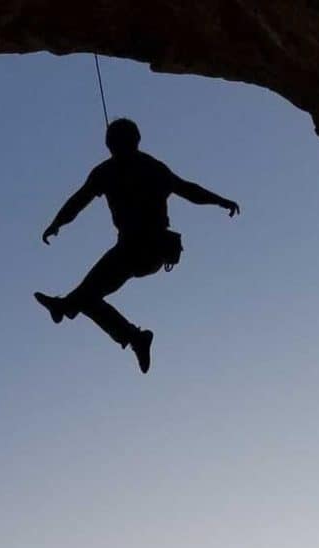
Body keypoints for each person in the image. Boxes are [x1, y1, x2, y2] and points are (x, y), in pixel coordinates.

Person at [34, 118, 240, 373]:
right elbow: (188, 189)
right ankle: (130, 335)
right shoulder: (134, 169)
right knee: (87, 299)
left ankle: (69, 308)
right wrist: (57, 222)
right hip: (140, 249)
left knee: (86, 297)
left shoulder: (125, 170)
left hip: (143, 246)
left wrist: (219, 201)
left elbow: (188, 190)